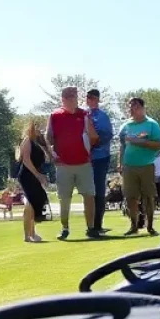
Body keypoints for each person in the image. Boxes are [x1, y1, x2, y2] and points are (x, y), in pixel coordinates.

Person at [47, 86, 99, 240]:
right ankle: (65, 228)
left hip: (84, 163)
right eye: (68, 96)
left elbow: (94, 136)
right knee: (64, 198)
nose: (72, 99)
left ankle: (90, 228)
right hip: (63, 165)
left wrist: (87, 148)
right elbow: (49, 138)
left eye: (74, 96)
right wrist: (52, 155)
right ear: (62, 99)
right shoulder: (55, 116)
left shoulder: (84, 114)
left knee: (89, 196)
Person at [118, 97, 160, 236]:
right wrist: (119, 163)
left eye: (136, 106)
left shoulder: (151, 124)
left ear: (143, 108)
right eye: (130, 106)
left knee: (148, 196)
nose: (132, 108)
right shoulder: (125, 126)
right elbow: (122, 146)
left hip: (146, 165)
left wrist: (139, 142)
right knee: (130, 197)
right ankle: (134, 226)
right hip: (128, 166)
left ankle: (150, 226)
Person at [16, 119, 50, 243]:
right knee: (30, 204)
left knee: (33, 204)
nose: (39, 130)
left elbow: (47, 157)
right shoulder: (27, 141)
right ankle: (28, 234)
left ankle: (32, 233)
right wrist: (38, 175)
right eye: (37, 127)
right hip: (27, 176)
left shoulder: (39, 143)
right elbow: (26, 160)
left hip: (35, 175)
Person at [85, 88, 113, 235]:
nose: (89, 100)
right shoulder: (83, 115)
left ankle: (97, 225)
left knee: (99, 191)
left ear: (97, 99)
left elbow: (107, 135)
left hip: (100, 158)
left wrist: (92, 144)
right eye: (87, 97)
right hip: (85, 159)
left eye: (91, 97)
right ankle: (90, 225)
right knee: (88, 192)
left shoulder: (102, 116)